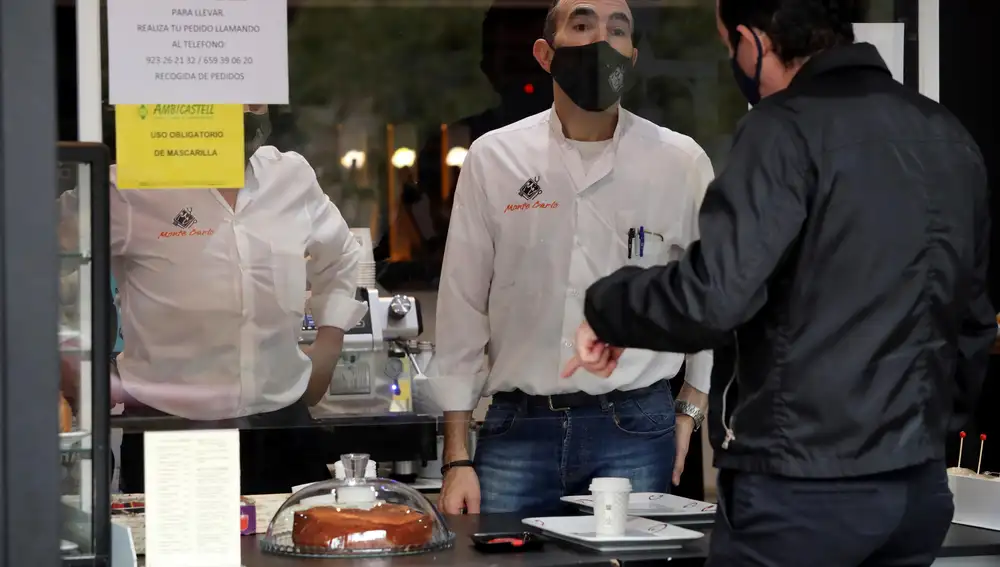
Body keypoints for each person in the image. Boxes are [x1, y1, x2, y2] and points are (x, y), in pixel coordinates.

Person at [563, 1, 993, 565]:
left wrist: (607, 306)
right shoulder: (946, 134)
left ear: (753, 41)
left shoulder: (783, 128)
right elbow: (973, 322)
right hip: (917, 493)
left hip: (803, 493)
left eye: (729, 46)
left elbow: (716, 296)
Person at [428, 0, 715, 516]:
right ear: (545, 53)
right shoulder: (495, 158)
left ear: (632, 55)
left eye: (618, 29)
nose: (601, 40)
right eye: (582, 25)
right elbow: (462, 308)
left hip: (634, 425)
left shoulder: (680, 161)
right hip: (517, 428)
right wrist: (455, 457)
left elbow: (709, 296)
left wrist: (690, 408)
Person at [59, 105, 367, 494]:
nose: (249, 109)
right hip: (171, 432)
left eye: (257, 99)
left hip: (283, 428)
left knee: (293, 548)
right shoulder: (130, 187)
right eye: (236, 97)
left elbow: (340, 256)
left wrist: (329, 343)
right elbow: (33, 257)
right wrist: (65, 361)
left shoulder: (291, 176)